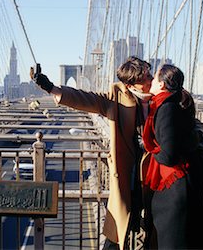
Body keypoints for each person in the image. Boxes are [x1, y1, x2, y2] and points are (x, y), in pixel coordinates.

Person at [31, 57, 153, 250]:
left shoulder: (162, 95)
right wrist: (51, 88)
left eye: (150, 73)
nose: (151, 79)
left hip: (157, 175)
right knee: (121, 232)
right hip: (130, 177)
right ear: (131, 83)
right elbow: (87, 99)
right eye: (146, 76)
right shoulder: (117, 96)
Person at [141, 64, 203, 249]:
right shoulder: (171, 103)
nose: (151, 82)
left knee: (173, 241)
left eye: (154, 78)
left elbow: (169, 155)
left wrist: (152, 152)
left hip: (174, 187)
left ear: (163, 85)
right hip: (180, 184)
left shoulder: (166, 108)